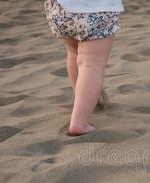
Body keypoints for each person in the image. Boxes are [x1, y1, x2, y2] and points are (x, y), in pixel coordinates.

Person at [44, 0, 124, 136]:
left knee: (73, 51)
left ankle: (82, 101)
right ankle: (79, 122)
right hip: (95, 9)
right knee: (91, 63)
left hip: (59, 10)